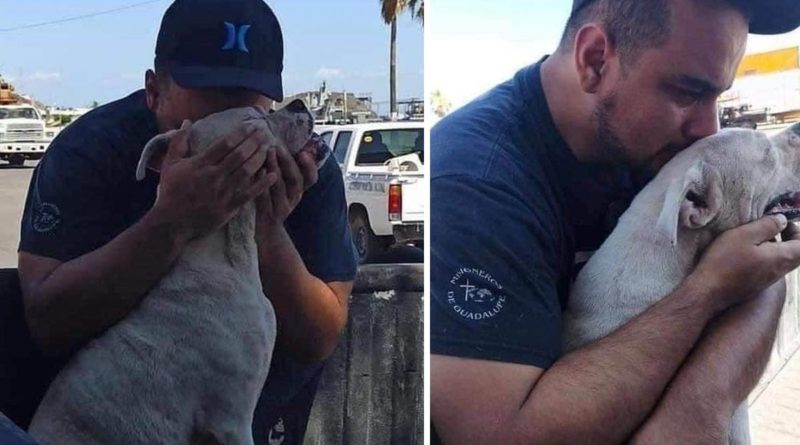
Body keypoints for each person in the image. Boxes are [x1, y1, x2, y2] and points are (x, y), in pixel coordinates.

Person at [430, 0, 800, 443]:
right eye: (688, 92)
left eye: (717, 95)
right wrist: (708, 294)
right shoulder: (474, 186)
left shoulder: (651, 143)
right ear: (595, 60)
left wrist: (700, 407)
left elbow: (762, 266)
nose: (709, 129)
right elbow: (504, 434)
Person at [15, 0, 357, 442]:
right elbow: (47, 321)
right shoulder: (92, 149)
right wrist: (172, 221)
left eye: (250, 103)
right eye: (211, 100)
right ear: (155, 91)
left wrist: (265, 231)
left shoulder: (301, 160)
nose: (237, 130)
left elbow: (318, 339)